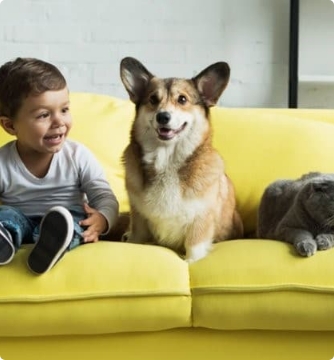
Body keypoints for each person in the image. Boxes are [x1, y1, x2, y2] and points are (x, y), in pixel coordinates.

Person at [0, 57, 119, 274]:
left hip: (64, 219)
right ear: (10, 126)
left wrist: (102, 218)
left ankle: (51, 246)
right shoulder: (3, 162)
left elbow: (103, 195)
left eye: (64, 110)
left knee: (77, 219)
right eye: (44, 115)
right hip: (21, 223)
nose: (59, 122)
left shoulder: (77, 155)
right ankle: (4, 241)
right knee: (6, 216)